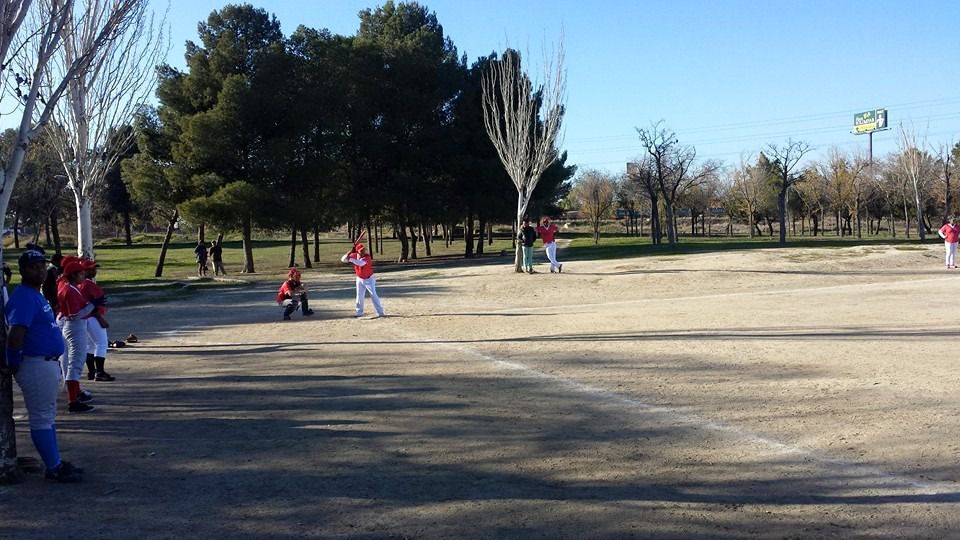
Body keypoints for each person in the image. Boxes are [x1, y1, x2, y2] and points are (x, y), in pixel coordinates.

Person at [3, 246, 84, 482]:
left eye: (41, 266)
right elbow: (16, 334)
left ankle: (55, 461)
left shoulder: (35, 294)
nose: (39, 271)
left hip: (45, 363)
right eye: (33, 267)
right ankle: (54, 467)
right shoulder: (25, 297)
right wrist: (13, 362)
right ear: (23, 271)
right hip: (35, 364)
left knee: (47, 417)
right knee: (41, 417)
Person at [56, 257, 99, 413]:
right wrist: (93, 304)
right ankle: (73, 401)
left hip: (73, 326)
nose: (83, 275)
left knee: (73, 363)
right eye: (80, 273)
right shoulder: (69, 289)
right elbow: (75, 315)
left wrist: (91, 304)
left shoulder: (70, 287)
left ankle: (74, 395)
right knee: (75, 363)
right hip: (74, 326)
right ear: (73, 275)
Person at [79, 261, 114, 381]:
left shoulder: (80, 284)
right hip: (93, 318)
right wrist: (100, 319)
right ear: (83, 271)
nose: (94, 271)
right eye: (91, 269)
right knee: (102, 343)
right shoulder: (88, 284)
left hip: (85, 318)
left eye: (94, 268)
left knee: (90, 346)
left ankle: (92, 372)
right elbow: (91, 304)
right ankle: (99, 372)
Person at [341, 242, 385, 318]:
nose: (364, 252)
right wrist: (349, 252)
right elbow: (342, 259)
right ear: (357, 252)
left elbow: (360, 263)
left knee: (373, 294)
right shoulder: (354, 255)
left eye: (364, 250)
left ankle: (380, 312)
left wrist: (350, 259)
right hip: (359, 278)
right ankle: (359, 312)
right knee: (359, 296)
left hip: (369, 279)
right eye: (361, 251)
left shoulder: (367, 257)